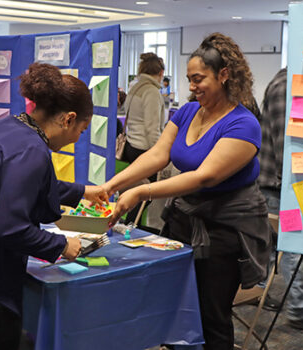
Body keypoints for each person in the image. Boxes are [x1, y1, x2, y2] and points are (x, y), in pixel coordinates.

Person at [101, 33, 272, 350]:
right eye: (189, 79)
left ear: (223, 75)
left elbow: (204, 177)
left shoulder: (243, 124)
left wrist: (141, 193)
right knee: (174, 307)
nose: (191, 87)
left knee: (210, 316)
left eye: (198, 79)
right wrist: (113, 184)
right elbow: (157, 154)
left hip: (223, 233)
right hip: (182, 223)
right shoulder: (189, 111)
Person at [0, 62, 108, 350]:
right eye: (82, 130)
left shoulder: (11, 127)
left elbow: (19, 183)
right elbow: (10, 228)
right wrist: (61, 245)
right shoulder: (32, 150)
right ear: (68, 119)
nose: (77, 138)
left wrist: (83, 191)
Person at [257, 67, 303, 336]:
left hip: (282, 185)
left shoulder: (299, 85)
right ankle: (302, 307)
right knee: (292, 247)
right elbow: (285, 149)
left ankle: (259, 289)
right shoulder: (285, 87)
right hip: (279, 186)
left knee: (274, 245)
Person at [121, 52, 166, 224]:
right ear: (161, 72)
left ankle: (131, 224)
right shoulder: (152, 92)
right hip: (146, 149)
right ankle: (131, 225)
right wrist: (160, 154)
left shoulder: (135, 87)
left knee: (138, 191)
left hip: (132, 145)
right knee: (148, 193)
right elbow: (152, 128)